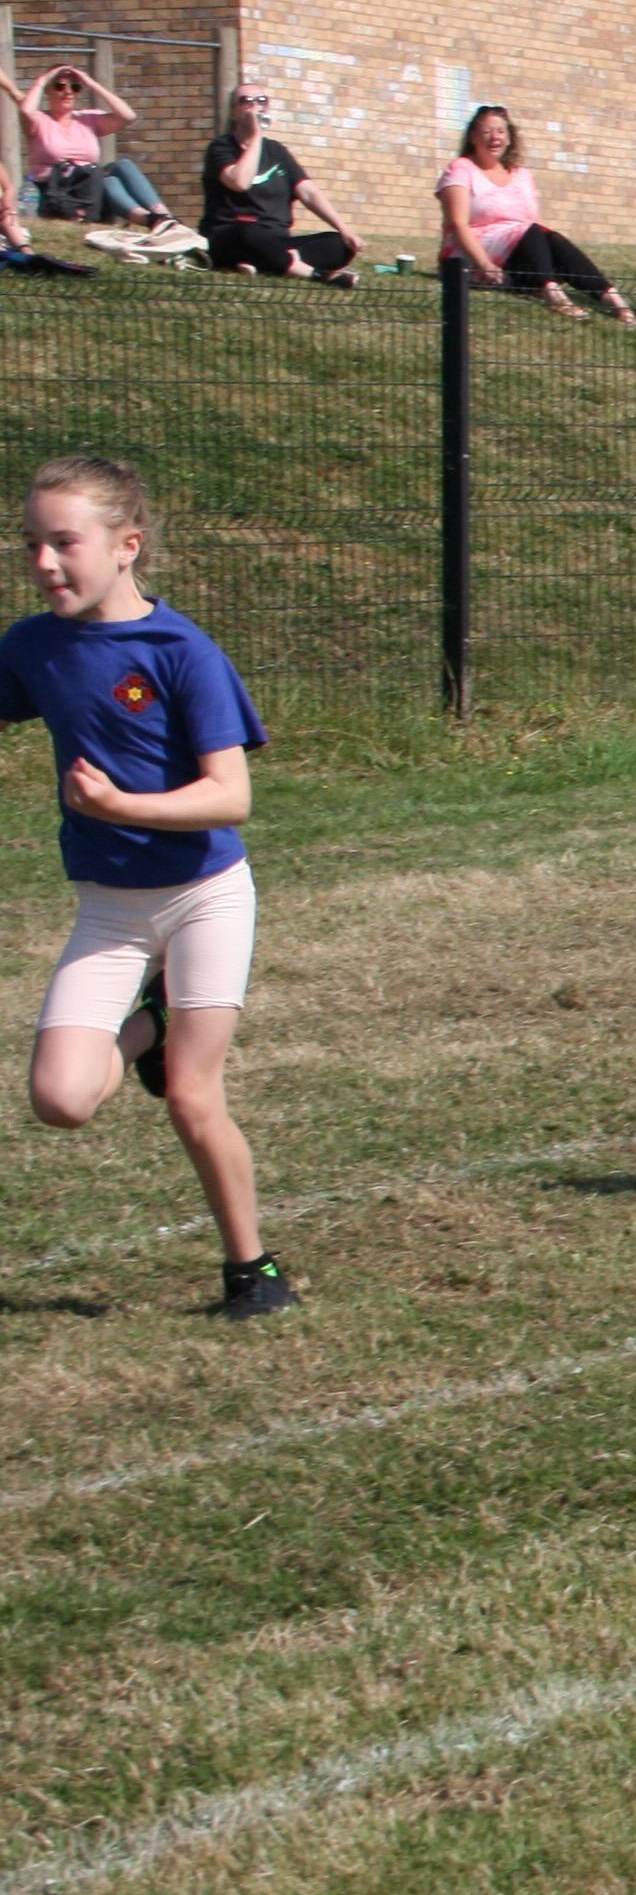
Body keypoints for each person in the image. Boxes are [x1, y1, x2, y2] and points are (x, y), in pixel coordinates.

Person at [4, 457, 296, 1320]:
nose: (44, 562)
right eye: (31, 544)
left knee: (194, 1098)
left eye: (64, 543)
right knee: (61, 1100)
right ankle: (153, 1025)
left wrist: (119, 805)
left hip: (206, 895)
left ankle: (254, 1273)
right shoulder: (33, 646)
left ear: (127, 546)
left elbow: (230, 798)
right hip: (110, 906)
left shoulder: (182, 653)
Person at [436, 106, 636, 323]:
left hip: (516, 249)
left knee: (552, 238)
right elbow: (458, 224)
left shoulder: (521, 175)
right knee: (530, 231)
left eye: (501, 131)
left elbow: (533, 228)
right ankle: (554, 296)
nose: (495, 138)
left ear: (509, 138)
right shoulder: (461, 168)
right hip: (472, 252)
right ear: (473, 137)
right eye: (487, 132)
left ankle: (613, 299)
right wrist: (485, 264)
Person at [15, 66, 196, 255]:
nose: (68, 92)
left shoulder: (86, 118)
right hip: (59, 190)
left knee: (123, 166)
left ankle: (163, 215)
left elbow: (128, 116)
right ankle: (152, 220)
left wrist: (90, 83)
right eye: (60, 86)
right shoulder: (39, 121)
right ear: (48, 90)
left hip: (89, 187)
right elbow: (26, 111)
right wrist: (42, 79)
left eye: (75, 87)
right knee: (108, 181)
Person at [197, 83, 362, 284]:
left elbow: (308, 193)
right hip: (233, 234)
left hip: (275, 239)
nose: (255, 106)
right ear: (233, 112)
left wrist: (344, 229)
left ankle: (263, 263)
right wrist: (256, 136)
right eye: (246, 101)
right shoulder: (220, 147)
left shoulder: (276, 151)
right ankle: (315, 274)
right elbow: (240, 182)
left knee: (338, 244)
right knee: (249, 232)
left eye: (262, 101)